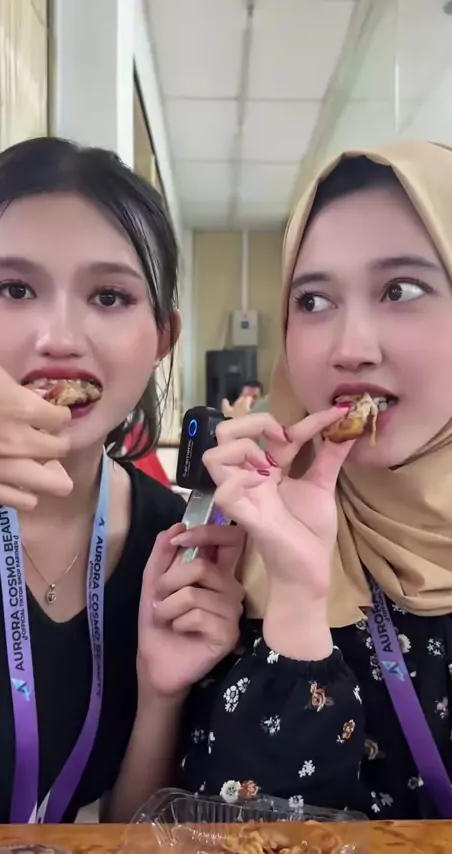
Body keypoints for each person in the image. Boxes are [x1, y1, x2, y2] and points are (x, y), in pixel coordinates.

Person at [0, 136, 246, 823]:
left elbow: (127, 831)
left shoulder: (178, 547)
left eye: (109, 295)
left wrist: (159, 696)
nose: (60, 337)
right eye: (14, 289)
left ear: (162, 339)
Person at [183, 139, 452, 821]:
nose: (350, 348)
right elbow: (238, 832)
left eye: (401, 289)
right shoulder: (238, 546)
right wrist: (299, 598)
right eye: (312, 300)